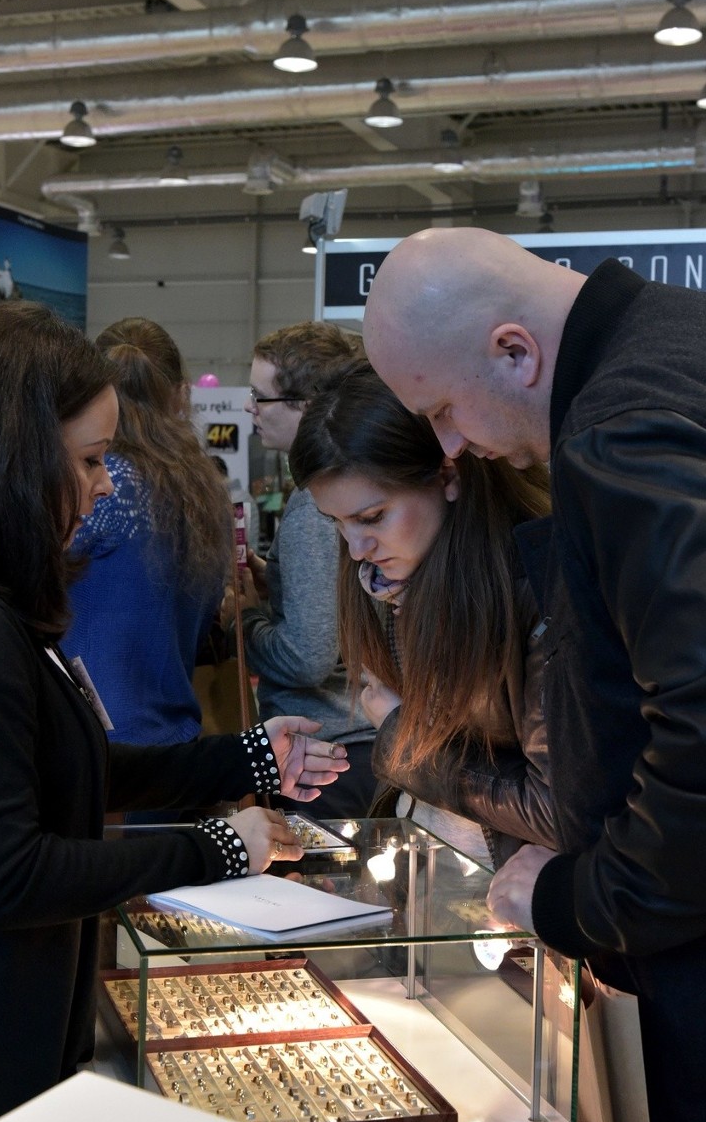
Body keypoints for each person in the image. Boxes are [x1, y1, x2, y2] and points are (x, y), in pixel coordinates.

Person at [362, 227, 706, 1122]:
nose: (454, 446)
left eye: (445, 410)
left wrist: (581, 899)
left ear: (516, 351)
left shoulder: (628, 424)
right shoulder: (705, 342)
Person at [0, 301, 348, 1122]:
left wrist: (246, 755)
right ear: (14, 458)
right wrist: (216, 849)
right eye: (89, 460)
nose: (108, 484)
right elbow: (10, 873)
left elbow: (72, 767)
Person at [289, 359, 555, 867]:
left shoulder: (536, 586)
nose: (357, 547)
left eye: (372, 517)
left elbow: (555, 806)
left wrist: (398, 733)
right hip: (432, 870)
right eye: (337, 523)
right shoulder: (393, 584)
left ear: (447, 474)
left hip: (510, 898)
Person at [222, 321, 377, 821]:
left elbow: (308, 656)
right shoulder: (351, 484)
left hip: (327, 758)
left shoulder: (316, 503)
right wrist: (274, 577)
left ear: (307, 406)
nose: (249, 407)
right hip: (357, 750)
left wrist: (244, 620)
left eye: (259, 397)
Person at [63, 317, 231, 747]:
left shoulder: (107, 484)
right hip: (177, 734)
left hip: (99, 741)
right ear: (181, 392)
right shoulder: (205, 488)